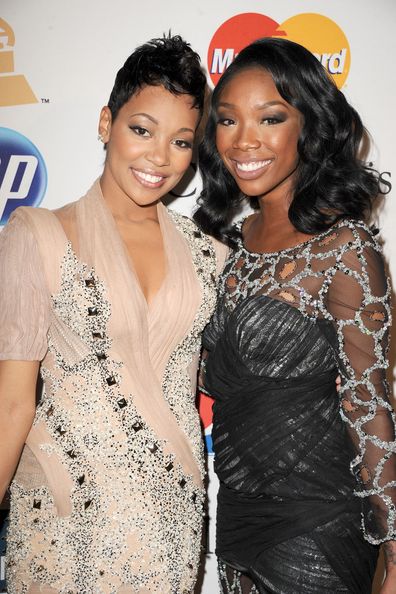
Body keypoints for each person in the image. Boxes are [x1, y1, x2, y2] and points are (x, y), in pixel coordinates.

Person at [0, 35, 227, 594]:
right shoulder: (38, 235)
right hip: (63, 520)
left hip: (170, 522)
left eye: (180, 141)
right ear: (107, 123)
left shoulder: (210, 256)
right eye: (141, 129)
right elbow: (10, 401)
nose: (158, 158)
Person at [195, 37, 396, 594]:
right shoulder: (231, 249)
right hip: (236, 519)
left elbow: (368, 400)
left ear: (309, 126)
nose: (244, 141)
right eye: (228, 120)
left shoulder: (344, 246)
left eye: (270, 117)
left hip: (319, 523)